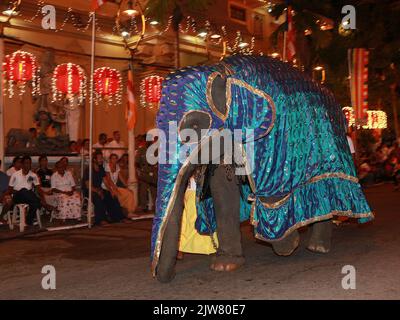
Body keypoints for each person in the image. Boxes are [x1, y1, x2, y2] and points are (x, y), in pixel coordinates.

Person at [82, 152, 129, 226]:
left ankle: (118, 217)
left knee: (112, 196)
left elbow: (105, 181)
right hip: (90, 190)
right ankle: (100, 220)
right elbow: (88, 186)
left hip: (99, 189)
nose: (101, 160)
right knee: (98, 198)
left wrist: (111, 191)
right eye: (99, 158)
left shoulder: (101, 168)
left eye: (102, 158)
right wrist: (97, 191)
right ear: (94, 159)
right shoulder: (89, 170)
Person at [7, 156, 42, 226]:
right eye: (26, 163)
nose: (28, 165)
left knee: (31, 196)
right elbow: (10, 189)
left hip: (29, 197)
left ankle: (28, 220)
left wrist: (43, 198)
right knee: (24, 190)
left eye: (29, 163)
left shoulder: (33, 175)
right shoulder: (15, 175)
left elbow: (38, 189)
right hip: (17, 196)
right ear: (22, 164)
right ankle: (37, 203)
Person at [105, 153, 137, 218]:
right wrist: (114, 188)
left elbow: (121, 177)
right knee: (117, 195)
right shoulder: (107, 166)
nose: (114, 160)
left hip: (115, 187)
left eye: (115, 158)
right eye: (113, 158)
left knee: (129, 193)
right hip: (107, 187)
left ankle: (130, 212)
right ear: (110, 160)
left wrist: (126, 186)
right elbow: (109, 180)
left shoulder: (117, 166)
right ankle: (119, 213)